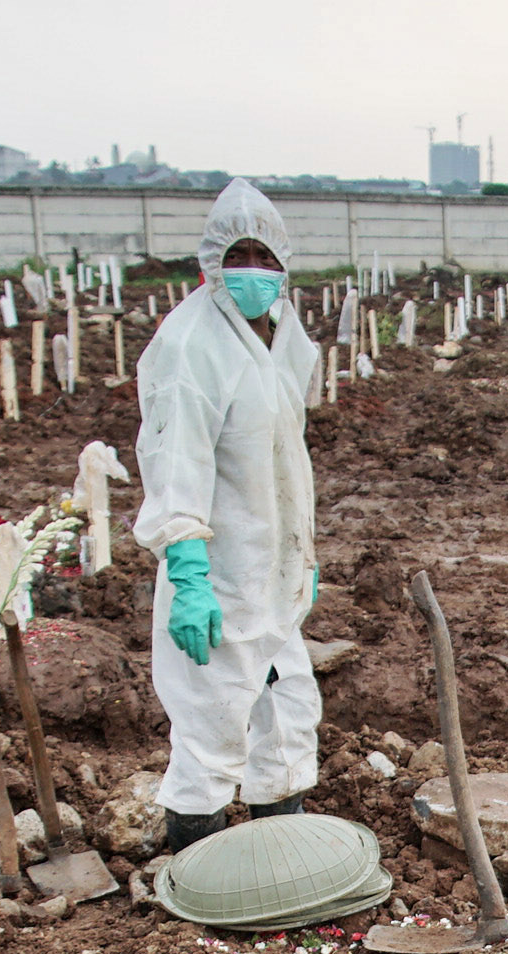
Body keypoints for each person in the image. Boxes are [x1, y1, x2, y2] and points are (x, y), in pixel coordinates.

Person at [131, 179, 323, 853]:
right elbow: (174, 460)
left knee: (289, 716)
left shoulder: (283, 336)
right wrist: (187, 572)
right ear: (212, 263)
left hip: (272, 576)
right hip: (217, 580)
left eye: (265, 257)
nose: (254, 271)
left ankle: (282, 859)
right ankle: (198, 877)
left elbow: (285, 457)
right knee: (213, 730)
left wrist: (303, 556)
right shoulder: (191, 347)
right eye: (239, 256)